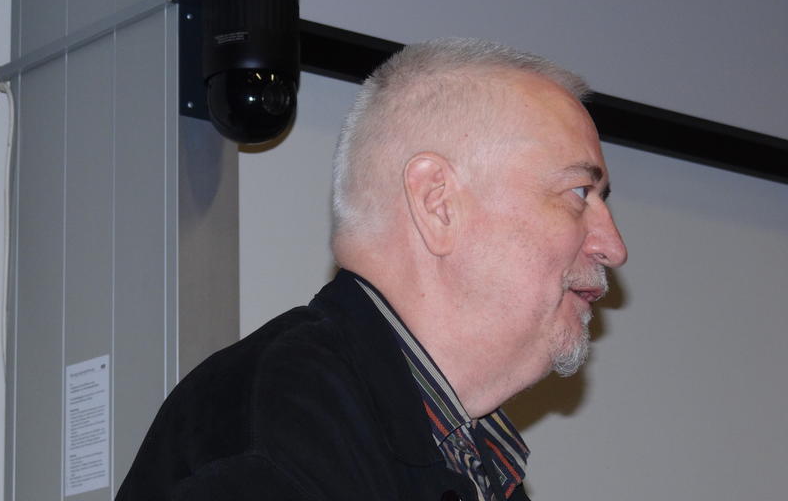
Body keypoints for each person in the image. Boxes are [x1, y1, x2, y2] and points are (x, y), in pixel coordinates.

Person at [116, 38, 627, 501]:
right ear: (437, 203)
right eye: (579, 193)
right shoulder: (280, 433)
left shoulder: (470, 458)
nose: (613, 247)